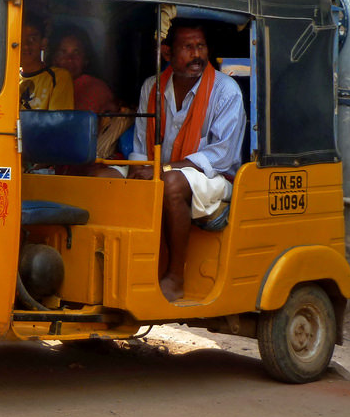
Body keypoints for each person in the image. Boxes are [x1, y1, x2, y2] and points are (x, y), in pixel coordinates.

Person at [105, 19, 245, 302]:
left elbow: (221, 156)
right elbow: (142, 146)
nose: (197, 55)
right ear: (168, 53)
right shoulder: (152, 87)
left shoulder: (226, 90)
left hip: (214, 178)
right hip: (163, 169)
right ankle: (117, 266)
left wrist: (160, 170)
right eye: (188, 47)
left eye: (201, 46)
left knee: (170, 183)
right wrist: (141, 170)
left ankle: (176, 278)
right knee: (102, 176)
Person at [51, 29, 116, 115]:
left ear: (86, 59)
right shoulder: (46, 85)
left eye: (76, 52)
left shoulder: (98, 90)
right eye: (63, 52)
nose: (70, 59)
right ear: (55, 59)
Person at [19, 15, 73, 111]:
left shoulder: (58, 78)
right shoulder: (7, 80)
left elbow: (57, 122)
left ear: (43, 43)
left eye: (32, 39)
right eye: (20, 39)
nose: (26, 46)